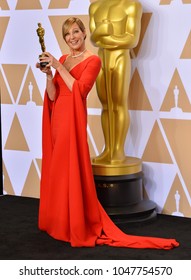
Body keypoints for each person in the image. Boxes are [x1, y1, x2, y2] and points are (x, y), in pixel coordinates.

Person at [36, 17, 179, 249]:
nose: (71, 37)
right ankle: (59, 222)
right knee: (59, 169)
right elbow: (53, 96)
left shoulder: (93, 61)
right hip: (57, 121)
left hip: (73, 121)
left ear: (83, 33)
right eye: (67, 35)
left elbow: (80, 91)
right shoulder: (62, 59)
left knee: (71, 168)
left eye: (75, 32)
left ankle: (74, 222)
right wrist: (50, 75)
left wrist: (59, 67)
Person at [89, 0, 142, 164]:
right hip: (101, 60)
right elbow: (93, 39)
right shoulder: (95, 7)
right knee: (105, 105)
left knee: (118, 104)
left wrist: (105, 36)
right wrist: (105, 35)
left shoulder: (131, 5)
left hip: (120, 58)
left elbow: (131, 40)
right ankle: (108, 149)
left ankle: (118, 151)